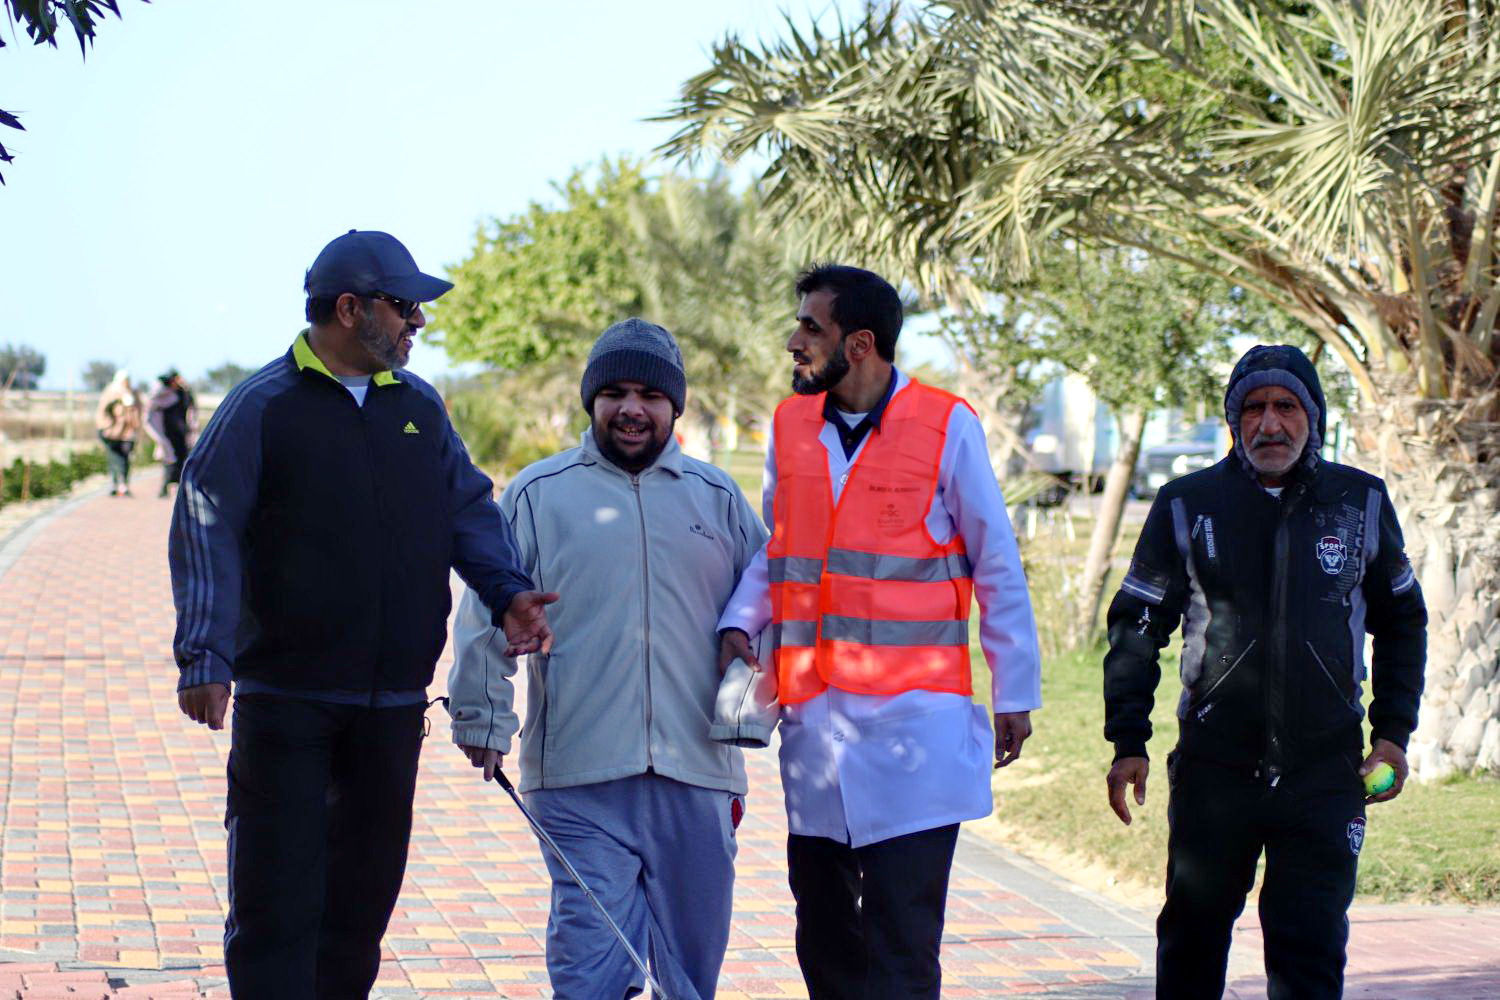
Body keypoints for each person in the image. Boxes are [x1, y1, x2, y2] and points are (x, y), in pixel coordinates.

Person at [168, 229, 558, 1000]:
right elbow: (204, 526)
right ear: (350, 309)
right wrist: (204, 656)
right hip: (288, 705)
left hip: (391, 709)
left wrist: (508, 590)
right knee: (276, 910)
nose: (419, 321)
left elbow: (467, 509)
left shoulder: (418, 406)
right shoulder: (261, 408)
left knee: (359, 914)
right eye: (404, 306)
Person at [716, 264, 1042, 1000]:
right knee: (825, 937)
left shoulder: (946, 425)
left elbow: (995, 559)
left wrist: (1015, 690)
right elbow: (782, 546)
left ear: (859, 344)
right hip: (815, 730)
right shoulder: (789, 426)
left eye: (811, 327)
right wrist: (741, 619)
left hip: (914, 731)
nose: (794, 341)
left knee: (901, 944)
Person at [447, 318, 768, 1000]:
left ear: (674, 406)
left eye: (650, 395)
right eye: (614, 393)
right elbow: (485, 610)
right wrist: (481, 716)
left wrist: (760, 686)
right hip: (578, 774)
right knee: (591, 964)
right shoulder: (539, 494)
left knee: (689, 972)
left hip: (698, 770)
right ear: (591, 399)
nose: (631, 409)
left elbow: (770, 604)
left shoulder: (717, 498)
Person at [1102, 344, 1428, 999]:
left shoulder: (1360, 501)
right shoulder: (1186, 503)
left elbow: (1402, 622)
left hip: (1325, 774)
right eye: (1253, 408)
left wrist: (1393, 734)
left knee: (1311, 952)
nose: (1270, 423)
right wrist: (1128, 741)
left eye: (1286, 406)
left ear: (1313, 416)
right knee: (1190, 945)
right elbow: (1137, 626)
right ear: (1233, 420)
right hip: (1215, 770)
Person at [147, 369, 196, 497]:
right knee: (169, 460)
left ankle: (179, 488)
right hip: (167, 432)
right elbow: (152, 408)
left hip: (181, 432)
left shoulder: (182, 393)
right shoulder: (163, 394)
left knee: (182, 459)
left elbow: (191, 406)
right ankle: (165, 488)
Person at [94, 369, 142, 496]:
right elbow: (103, 411)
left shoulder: (133, 393)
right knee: (114, 457)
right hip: (112, 433)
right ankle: (115, 484)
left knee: (126, 457)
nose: (126, 382)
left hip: (128, 432)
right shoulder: (111, 392)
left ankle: (123, 484)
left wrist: (136, 424)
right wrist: (107, 426)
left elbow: (139, 410)